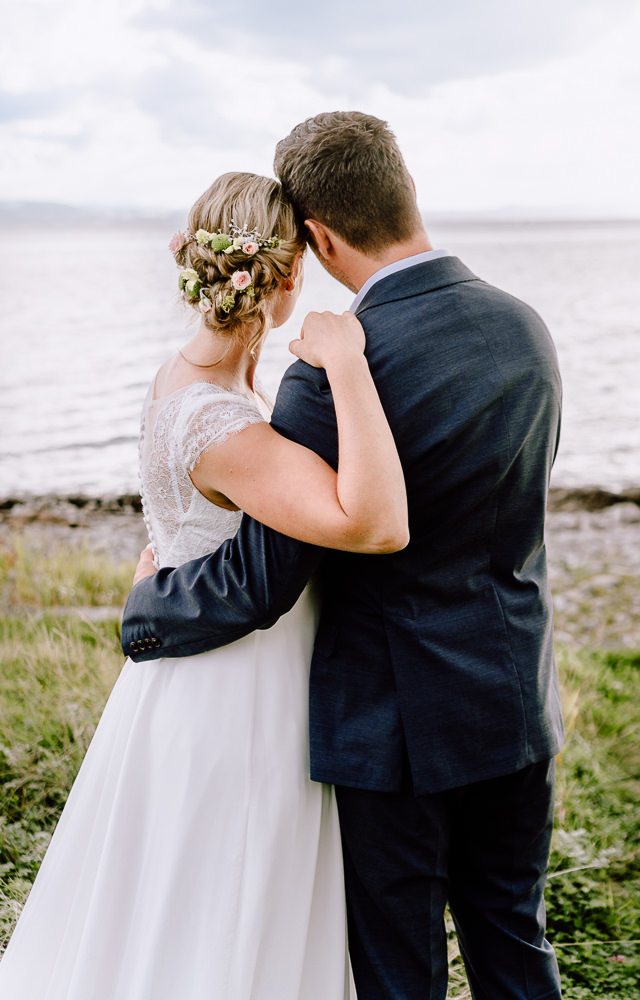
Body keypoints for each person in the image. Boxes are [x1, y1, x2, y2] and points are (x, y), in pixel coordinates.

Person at [123, 112, 566, 1000]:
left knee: (400, 971)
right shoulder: (526, 329)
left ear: (318, 238)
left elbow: (263, 578)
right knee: (513, 937)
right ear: (404, 192)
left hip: (391, 729)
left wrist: (147, 608)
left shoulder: (329, 372)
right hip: (514, 697)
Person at [0, 171, 410, 999]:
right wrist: (347, 364)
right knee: (227, 891)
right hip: (237, 688)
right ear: (288, 272)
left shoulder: (182, 380)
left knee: (168, 888)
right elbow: (374, 523)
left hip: (183, 674)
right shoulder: (224, 425)